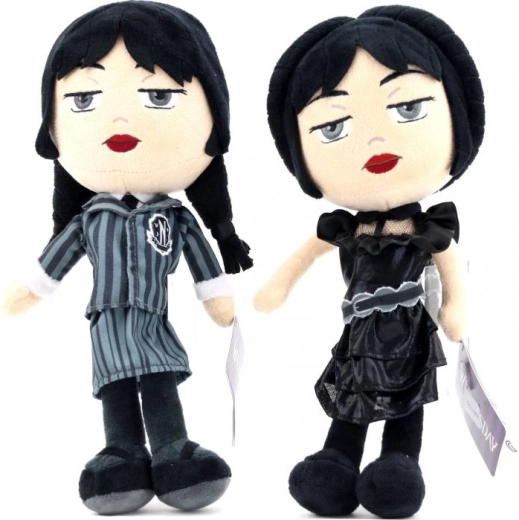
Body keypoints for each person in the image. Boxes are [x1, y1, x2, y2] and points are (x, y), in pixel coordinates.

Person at [4, 1, 251, 515]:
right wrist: (27, 291)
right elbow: (53, 262)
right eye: (84, 98)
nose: (117, 119)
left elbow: (204, 264)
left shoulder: (176, 216)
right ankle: (121, 453)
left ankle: (172, 450)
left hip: (153, 319)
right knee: (117, 387)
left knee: (158, 381)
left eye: (159, 95)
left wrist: (218, 299)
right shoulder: (88, 219)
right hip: (107, 322)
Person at [256, 5, 483, 518]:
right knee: (353, 394)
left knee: (406, 399)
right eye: (333, 127)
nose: (374, 140)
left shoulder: (428, 228)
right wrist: (277, 288)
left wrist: (455, 310)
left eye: (408, 108)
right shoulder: (346, 228)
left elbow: (452, 271)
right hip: (359, 333)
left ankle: (399, 463)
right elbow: (303, 257)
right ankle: (338, 459)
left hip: (409, 330)